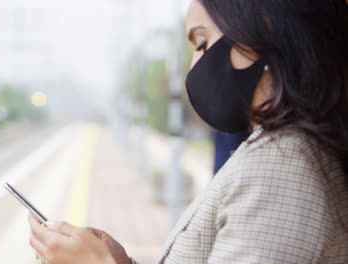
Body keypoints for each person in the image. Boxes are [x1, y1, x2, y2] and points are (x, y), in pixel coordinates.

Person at [27, 0, 348, 263]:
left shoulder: (280, 167)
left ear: (264, 30)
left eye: (203, 42)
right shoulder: (283, 152)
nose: (195, 67)